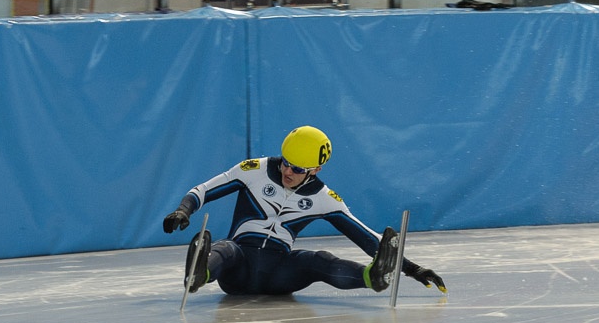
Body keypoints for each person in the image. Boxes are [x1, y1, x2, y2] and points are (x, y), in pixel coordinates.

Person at [163, 126, 447, 297]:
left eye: (297, 169)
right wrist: (183, 210)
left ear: (316, 170)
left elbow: (367, 238)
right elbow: (205, 189)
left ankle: (371, 278)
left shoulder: (324, 198)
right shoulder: (255, 169)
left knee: (318, 260)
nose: (287, 171)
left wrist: (413, 269)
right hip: (237, 270)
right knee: (225, 248)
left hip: (279, 275)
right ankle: (201, 274)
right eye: (286, 163)